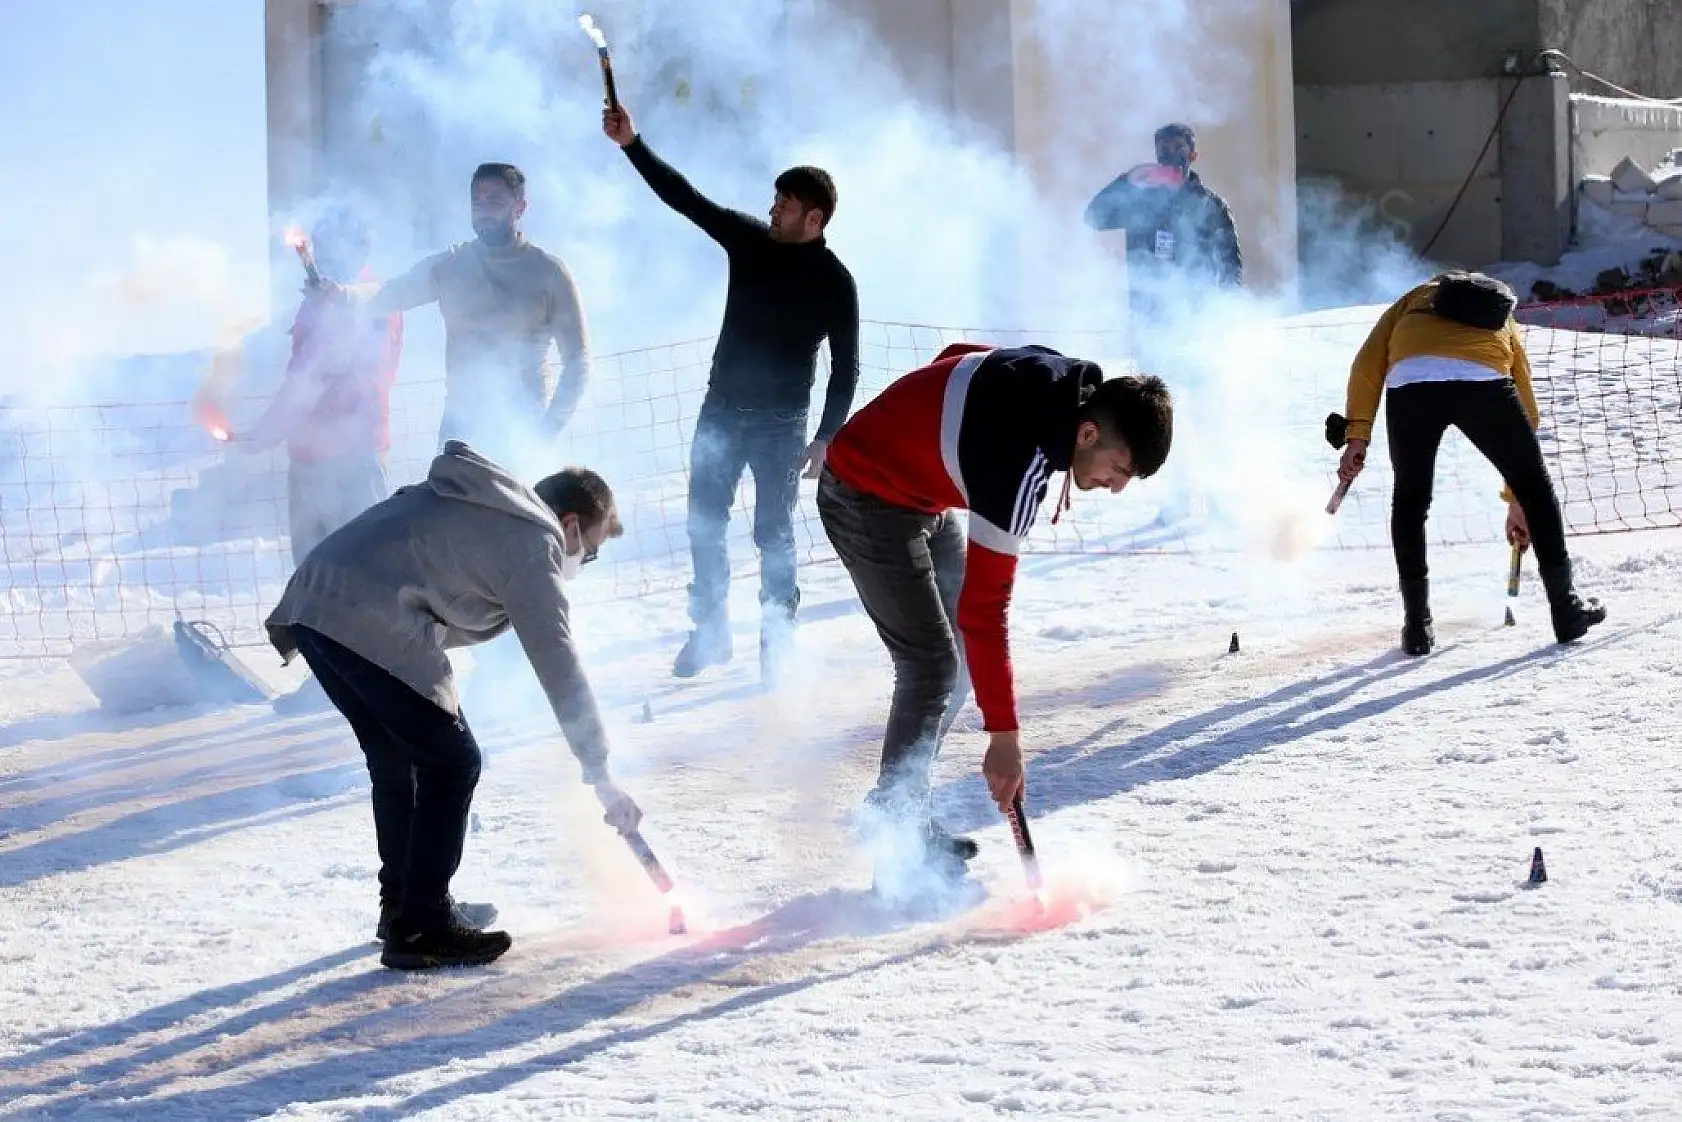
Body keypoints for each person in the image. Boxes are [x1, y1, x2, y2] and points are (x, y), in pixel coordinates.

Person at [264, 442, 643, 970]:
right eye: (592, 550)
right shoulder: (535, 539)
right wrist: (599, 767)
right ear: (572, 525)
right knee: (454, 760)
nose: (583, 561)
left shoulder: (493, 510)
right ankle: (423, 923)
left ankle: (405, 904)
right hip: (363, 617)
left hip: (314, 605)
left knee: (399, 758)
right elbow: (557, 658)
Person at [818, 343, 1173, 897]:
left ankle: (899, 806)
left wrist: (937, 441)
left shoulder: (1062, 385)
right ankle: (896, 854)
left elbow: (962, 356)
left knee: (957, 659)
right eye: (1119, 469)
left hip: (920, 496)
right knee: (932, 663)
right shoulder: (1018, 466)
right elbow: (986, 612)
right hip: (863, 491)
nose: (1117, 486)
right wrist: (1004, 740)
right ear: (1087, 435)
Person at [603, 102, 861, 687]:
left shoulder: (834, 283)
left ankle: (778, 642)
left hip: (782, 426)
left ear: (814, 217)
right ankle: (712, 630)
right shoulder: (750, 242)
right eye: (773, 201)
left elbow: (846, 367)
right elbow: (686, 198)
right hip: (719, 413)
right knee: (702, 522)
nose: (772, 210)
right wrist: (632, 143)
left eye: (785, 205)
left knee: (773, 534)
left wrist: (825, 438)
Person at [1329, 270, 1606, 655]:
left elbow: (1367, 363)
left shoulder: (1413, 298)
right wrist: (1517, 496)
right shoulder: (1499, 310)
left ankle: (1417, 628)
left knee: (1410, 501)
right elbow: (1523, 393)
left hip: (1411, 382)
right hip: (1483, 380)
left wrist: (1357, 435)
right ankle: (1566, 611)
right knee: (1536, 488)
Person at [322, 163, 591, 473]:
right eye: (477, 202)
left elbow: (578, 362)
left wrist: (547, 428)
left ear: (520, 208)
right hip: (459, 428)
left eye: (495, 201)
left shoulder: (548, 272)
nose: (483, 210)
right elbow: (394, 292)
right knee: (454, 518)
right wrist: (341, 295)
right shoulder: (453, 264)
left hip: (519, 429)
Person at [240, 206, 403, 568]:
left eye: (336, 246)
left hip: (355, 459)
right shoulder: (315, 301)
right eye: (322, 246)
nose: (325, 256)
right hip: (308, 459)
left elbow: (321, 376)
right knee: (312, 576)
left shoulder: (374, 299)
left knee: (363, 572)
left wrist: (268, 431)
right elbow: (301, 373)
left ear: (359, 250)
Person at [1082, 122, 1242, 321]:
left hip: (1197, 318)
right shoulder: (1139, 201)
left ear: (1193, 156)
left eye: (1178, 148)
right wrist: (1127, 181)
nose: (1171, 155)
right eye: (1164, 149)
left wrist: (1227, 314)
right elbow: (1093, 218)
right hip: (1148, 320)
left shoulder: (1211, 206)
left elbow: (1231, 266)